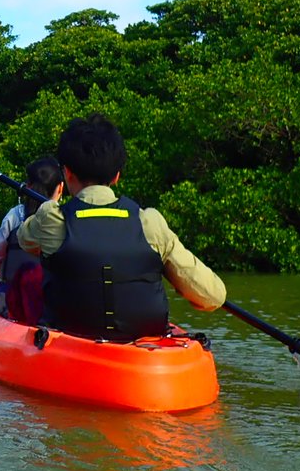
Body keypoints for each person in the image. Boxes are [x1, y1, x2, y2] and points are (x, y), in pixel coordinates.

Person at [15, 113, 226, 341]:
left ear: (67, 173)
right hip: (146, 355)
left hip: (71, 346)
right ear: (116, 176)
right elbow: (213, 296)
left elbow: (24, 240)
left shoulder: (51, 219)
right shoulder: (150, 223)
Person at [0, 157, 63, 321]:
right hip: (52, 307)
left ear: (27, 186)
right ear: (61, 188)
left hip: (10, 305)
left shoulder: (14, 216)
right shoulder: (67, 219)